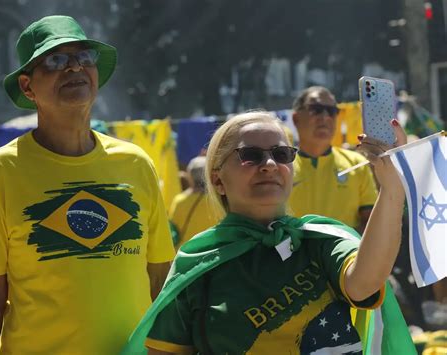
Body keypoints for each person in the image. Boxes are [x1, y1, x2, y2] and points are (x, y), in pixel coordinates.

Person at [123, 111, 416, 354]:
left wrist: (391, 187)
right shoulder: (196, 263)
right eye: (250, 155)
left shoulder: (320, 240)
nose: (270, 165)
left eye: (281, 153)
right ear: (218, 180)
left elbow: (364, 283)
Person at [0, 15, 175, 354]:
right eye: (55, 60)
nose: (74, 68)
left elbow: (160, 279)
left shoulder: (136, 164)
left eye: (84, 58)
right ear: (27, 87)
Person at [289, 86, 378, 232]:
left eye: (332, 111)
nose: (325, 117)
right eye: (316, 109)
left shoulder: (357, 164)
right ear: (296, 118)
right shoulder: (280, 166)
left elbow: (372, 223)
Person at [169, 156, 219, 250]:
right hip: (210, 253)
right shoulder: (217, 201)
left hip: (185, 254)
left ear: (190, 176)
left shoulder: (179, 201)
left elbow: (172, 231)